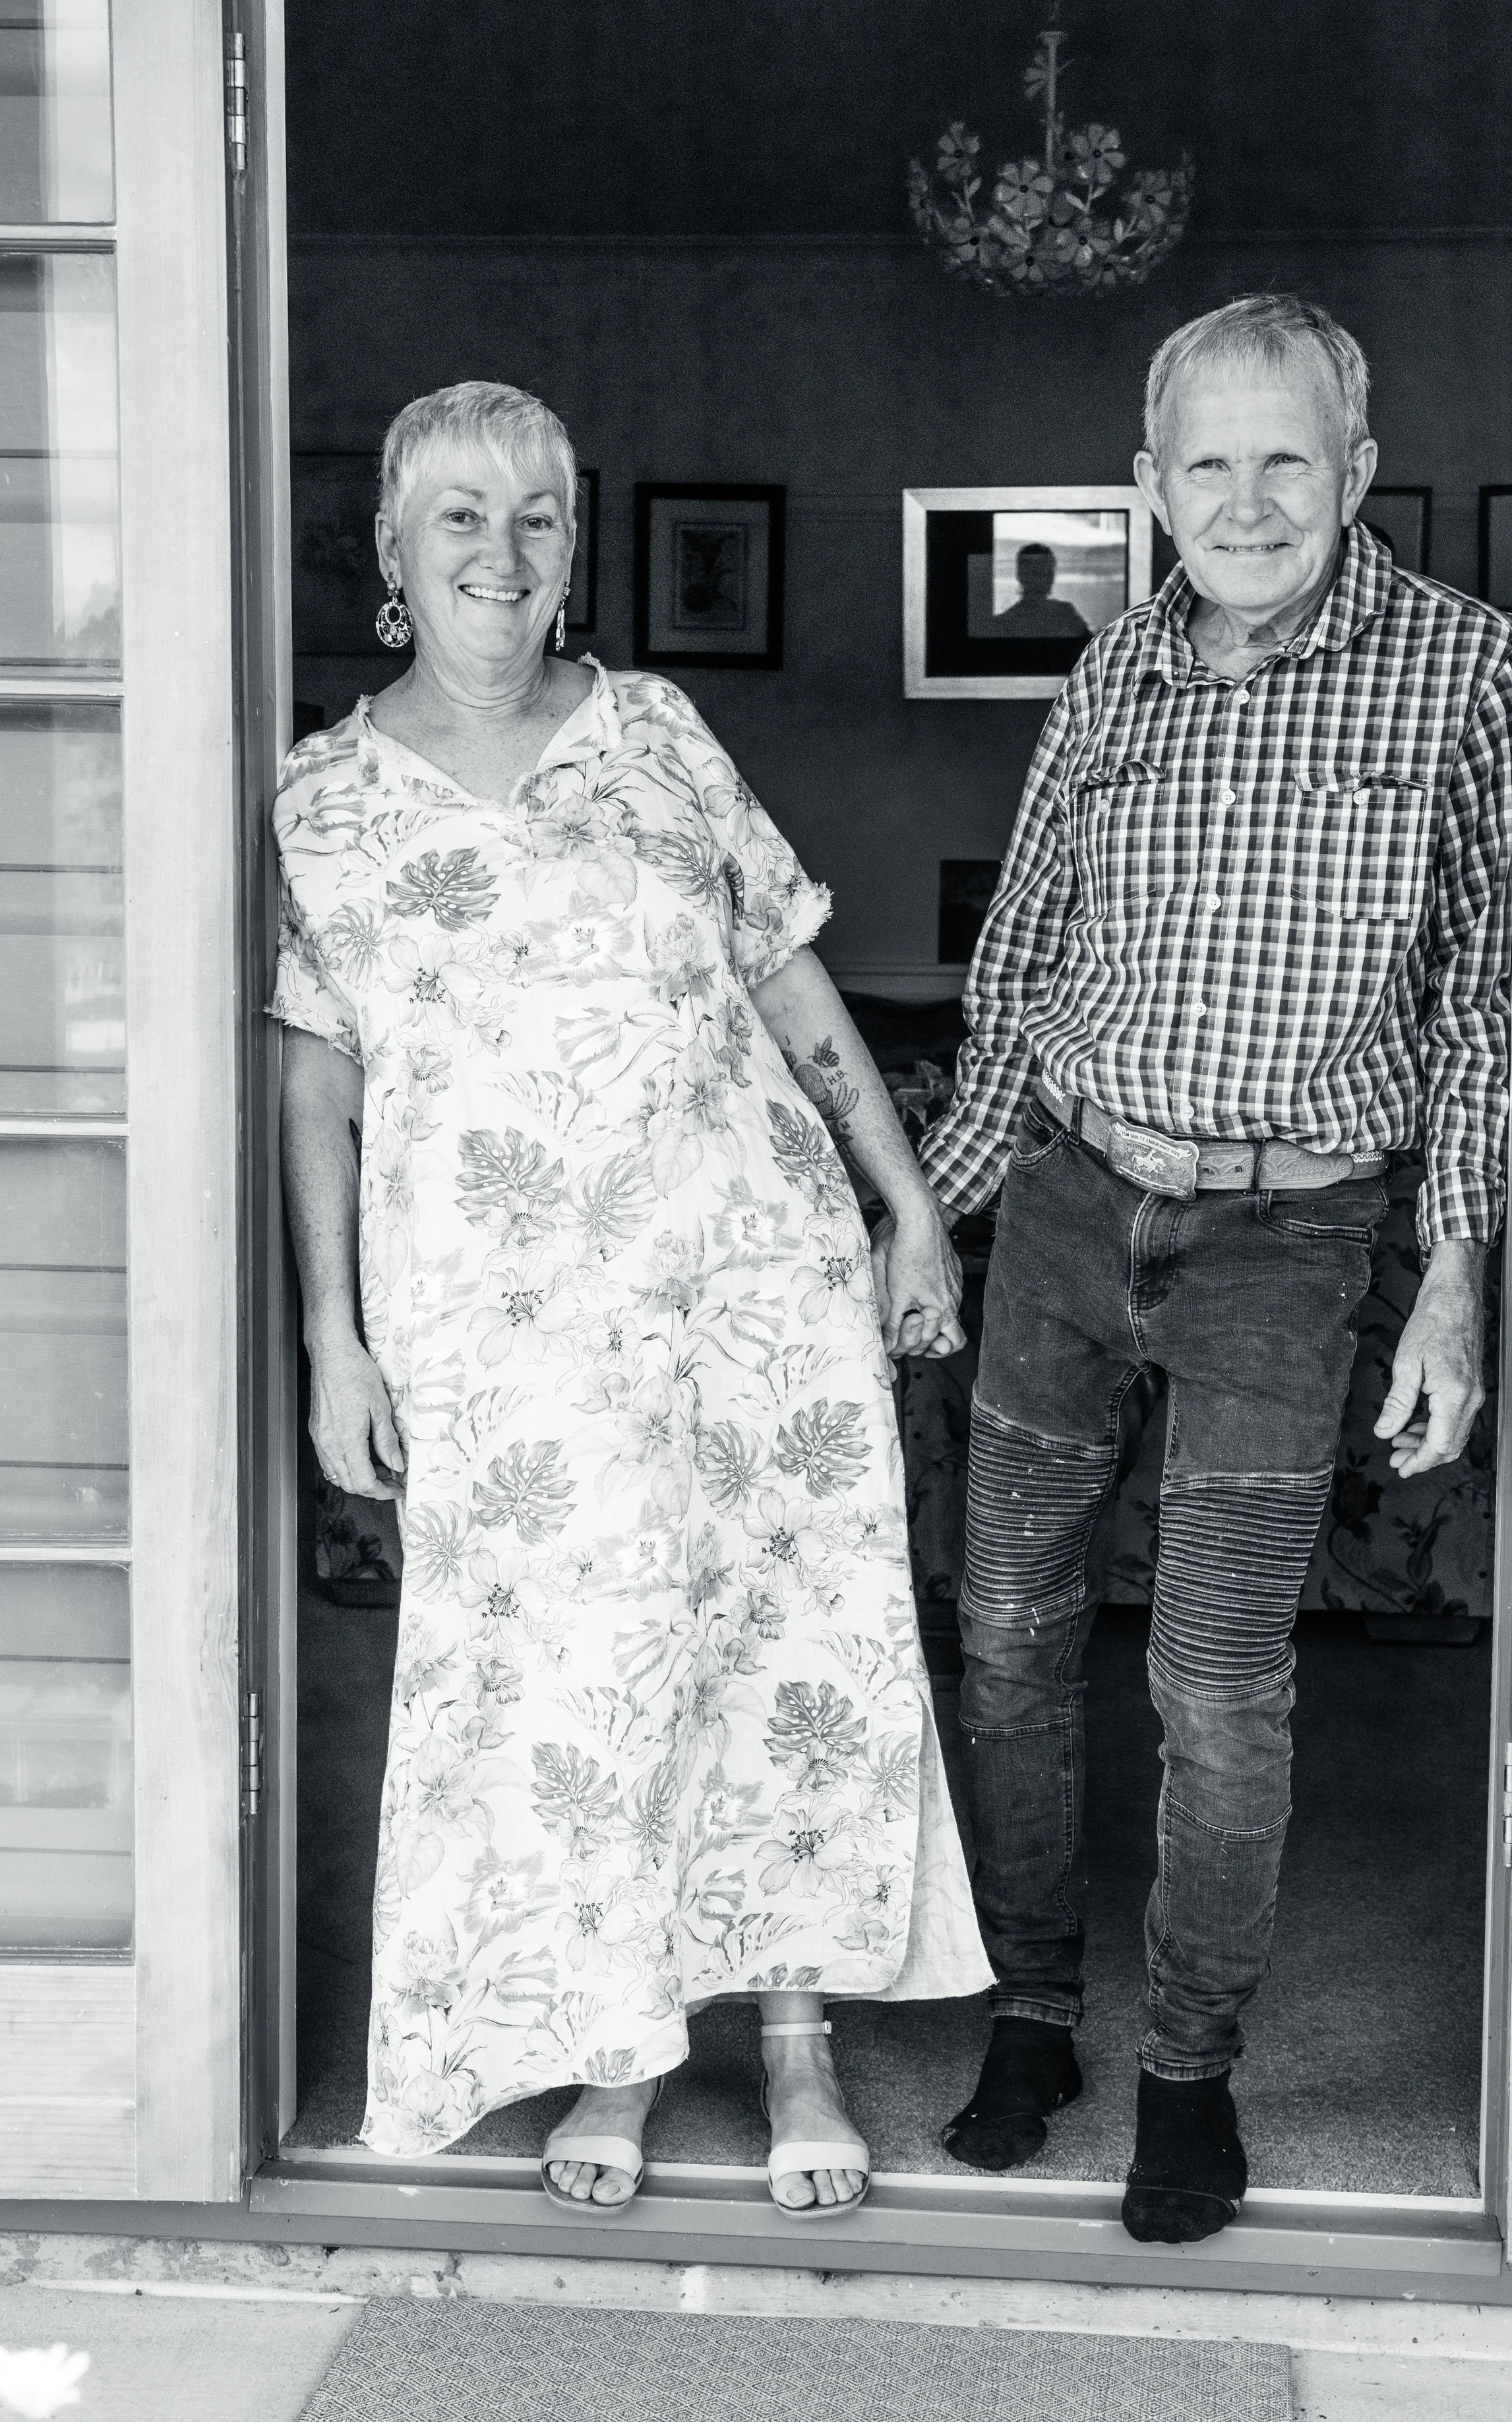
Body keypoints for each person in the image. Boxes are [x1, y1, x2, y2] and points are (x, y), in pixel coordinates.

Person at [273, 380, 990, 2220]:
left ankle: (801, 2042)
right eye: (457, 515)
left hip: (744, 1292)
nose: (498, 552)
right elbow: (314, 1081)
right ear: (389, 551)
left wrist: (905, 1206)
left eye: (534, 514)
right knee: (572, 1684)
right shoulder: (324, 803)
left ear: (571, 542)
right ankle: (615, 2046)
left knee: (785, 1647)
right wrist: (329, 1336)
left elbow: (789, 977)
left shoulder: (657, 734)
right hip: (503, 1339)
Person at [909, 295, 1512, 2243]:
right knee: (1002, 1635)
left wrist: (1451, 1269)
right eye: (1204, 463)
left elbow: (1486, 1008)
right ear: (1148, 482)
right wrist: (928, 1214)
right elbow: (1011, 976)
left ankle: (1182, 2060)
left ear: (1351, 469)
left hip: (1289, 1226)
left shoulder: (1465, 675)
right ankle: (1031, 2014)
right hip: (1075, 1204)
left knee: (1211, 1674)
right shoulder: (1107, 673)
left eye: (1283, 459)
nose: (1242, 499)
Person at [988, 542, 1091, 639]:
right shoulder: (1066, 614)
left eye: (1048, 573)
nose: (1045, 579)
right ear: (1021, 575)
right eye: (1038, 573)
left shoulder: (1003, 623)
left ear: (1019, 576)